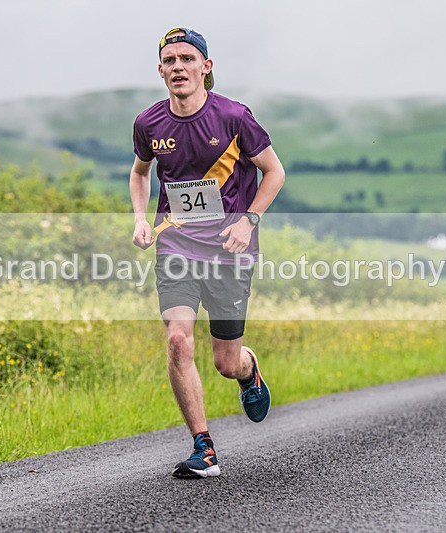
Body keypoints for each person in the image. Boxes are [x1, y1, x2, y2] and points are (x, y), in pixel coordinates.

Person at [129, 27, 285, 479]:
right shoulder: (148, 123)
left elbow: (274, 172)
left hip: (229, 250)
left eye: (187, 59)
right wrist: (141, 218)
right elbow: (140, 174)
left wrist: (248, 219)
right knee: (178, 339)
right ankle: (204, 448)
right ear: (161, 71)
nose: (178, 67)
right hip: (177, 245)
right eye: (170, 60)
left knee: (223, 362)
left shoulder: (234, 117)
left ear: (206, 67)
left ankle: (248, 370)